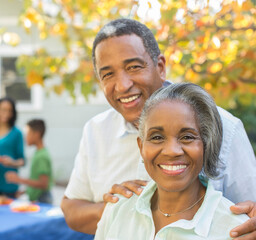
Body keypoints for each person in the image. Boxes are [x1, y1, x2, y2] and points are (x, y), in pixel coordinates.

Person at [61, 18, 256, 238]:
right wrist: (122, 209)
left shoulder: (224, 127)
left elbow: (251, 213)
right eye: (108, 74)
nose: (123, 85)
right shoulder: (96, 131)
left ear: (160, 67)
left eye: (133, 67)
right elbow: (71, 209)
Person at [95, 82, 250, 239]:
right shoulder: (118, 209)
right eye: (156, 137)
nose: (172, 151)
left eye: (187, 137)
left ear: (206, 145)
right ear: (141, 146)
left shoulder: (237, 229)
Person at [5, 119, 53, 204]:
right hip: (38, 198)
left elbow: (43, 184)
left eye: (28, 133)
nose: (25, 137)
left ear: (37, 134)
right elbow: (35, 179)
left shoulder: (41, 156)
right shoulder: (38, 153)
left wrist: (18, 179)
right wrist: (24, 191)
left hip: (42, 200)